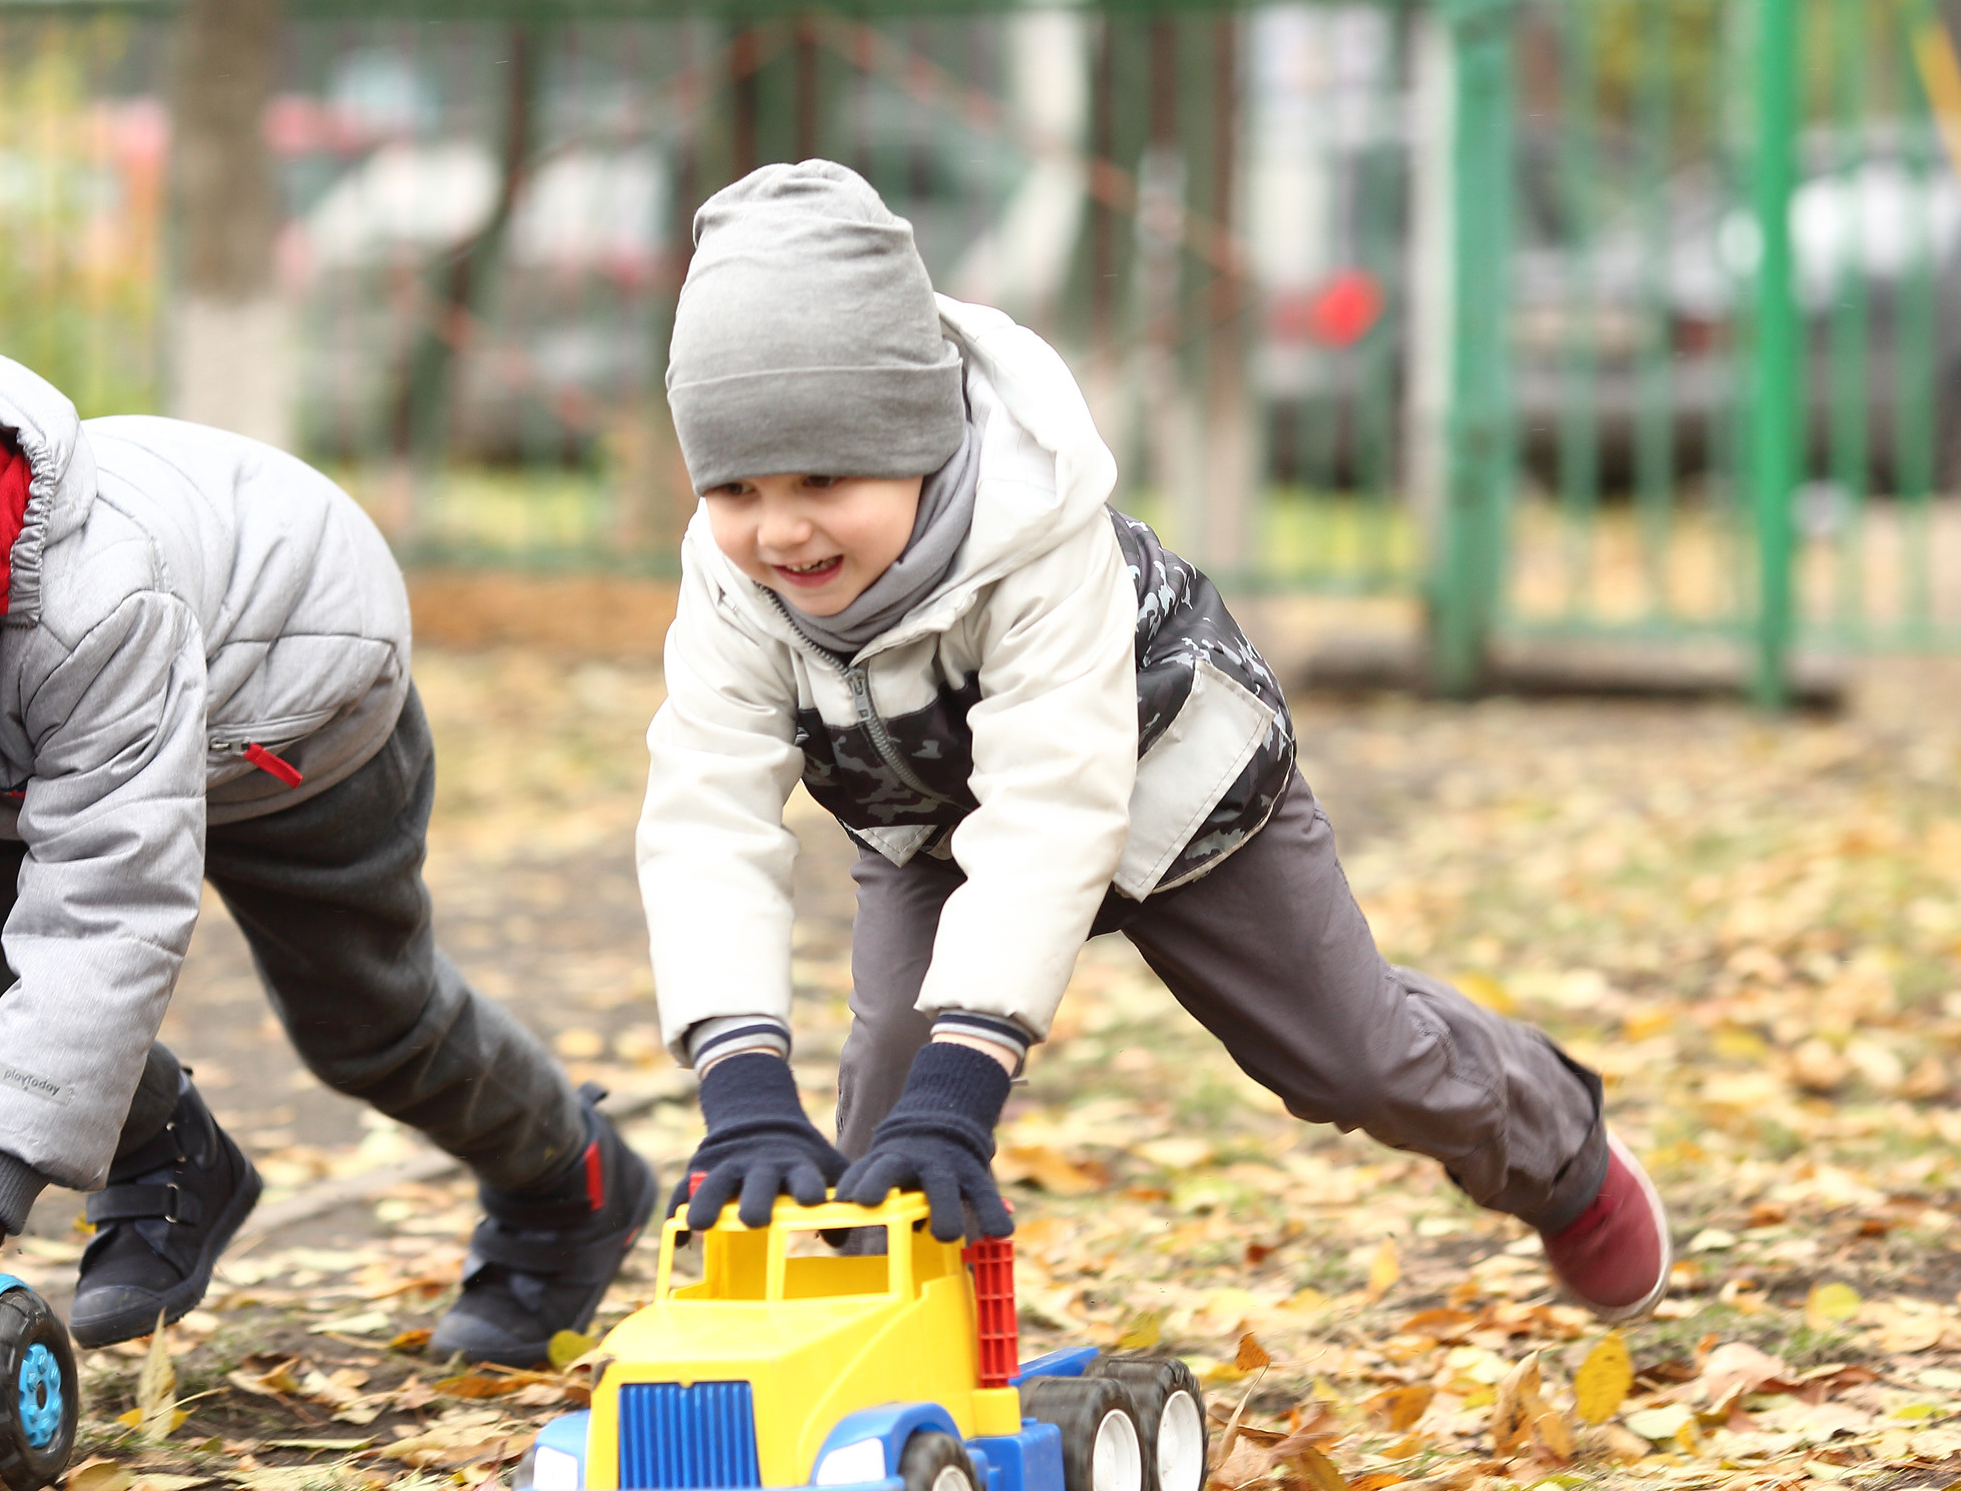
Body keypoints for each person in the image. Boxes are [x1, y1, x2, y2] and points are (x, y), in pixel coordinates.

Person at [635, 161, 1672, 1322]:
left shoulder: (1031, 535)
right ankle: (886, 1349)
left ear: (917, 439)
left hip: (1175, 790)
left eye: (823, 477)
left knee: (1349, 1059)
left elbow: (1052, 804)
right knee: (892, 1113)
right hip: (933, 824)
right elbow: (705, 813)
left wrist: (967, 1076)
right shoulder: (732, 584)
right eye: (734, 487)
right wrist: (742, 1080)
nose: (779, 529)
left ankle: (1556, 1146)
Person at [0, 244, 654, 1364]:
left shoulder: (90, 607)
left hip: (286, 698)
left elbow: (107, 902)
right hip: (15, 738)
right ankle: (168, 1147)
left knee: (367, 1021)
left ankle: (571, 1177)